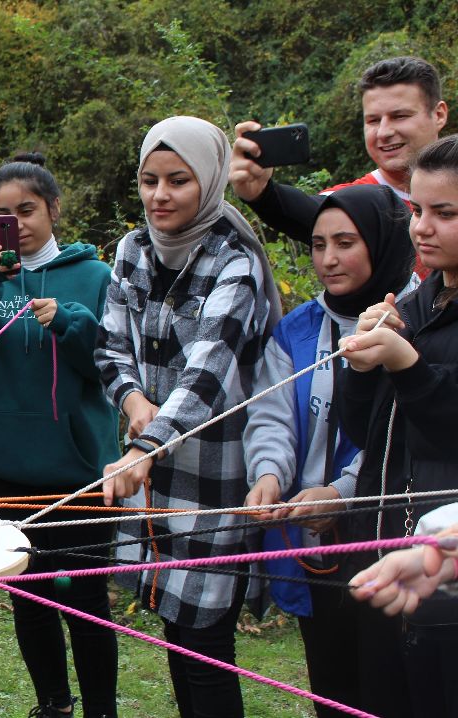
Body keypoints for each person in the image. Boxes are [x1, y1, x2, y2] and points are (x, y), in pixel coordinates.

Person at [94, 116, 281, 718]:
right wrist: (130, 400)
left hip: (213, 476)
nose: (160, 196)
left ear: (211, 180)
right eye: (149, 180)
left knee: (204, 646)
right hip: (151, 476)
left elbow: (208, 373)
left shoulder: (236, 261)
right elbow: (110, 346)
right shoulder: (131, 249)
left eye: (178, 181)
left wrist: (143, 447)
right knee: (175, 634)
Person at [0, 153, 118, 718]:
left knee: (85, 599)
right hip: (1, 463)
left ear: (54, 209)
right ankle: (52, 704)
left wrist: (68, 320)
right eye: (2, 214)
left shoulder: (94, 277)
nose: (17, 223)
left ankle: (101, 709)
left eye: (28, 210)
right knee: (28, 595)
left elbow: (110, 365)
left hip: (76, 467)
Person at [242, 184, 417, 717]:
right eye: (318, 244)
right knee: (333, 693)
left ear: (382, 242)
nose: (329, 259)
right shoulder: (297, 329)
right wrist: (269, 473)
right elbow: (271, 414)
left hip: (396, 545)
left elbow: (401, 431)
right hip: (317, 545)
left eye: (345, 242)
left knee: (395, 692)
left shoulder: (416, 320)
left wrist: (341, 492)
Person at [334, 134, 458, 717]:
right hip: (389, 551)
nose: (422, 228)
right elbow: (367, 432)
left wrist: (407, 363)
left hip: (449, 578)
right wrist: (363, 366)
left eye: (445, 213)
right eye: (416, 210)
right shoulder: (419, 302)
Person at [231, 57, 448, 263]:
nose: (383, 132)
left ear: (438, 115)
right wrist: (262, 194)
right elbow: (306, 210)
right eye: (373, 120)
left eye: (399, 116)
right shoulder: (349, 202)